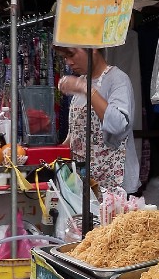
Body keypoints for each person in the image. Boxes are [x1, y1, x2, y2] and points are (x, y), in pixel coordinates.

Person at [56, 46, 140, 194]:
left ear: (92, 48)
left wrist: (85, 88)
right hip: (85, 183)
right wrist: (55, 155)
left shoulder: (118, 79)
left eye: (71, 54)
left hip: (113, 185)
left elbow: (118, 125)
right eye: (65, 57)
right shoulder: (82, 80)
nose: (68, 62)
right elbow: (76, 133)